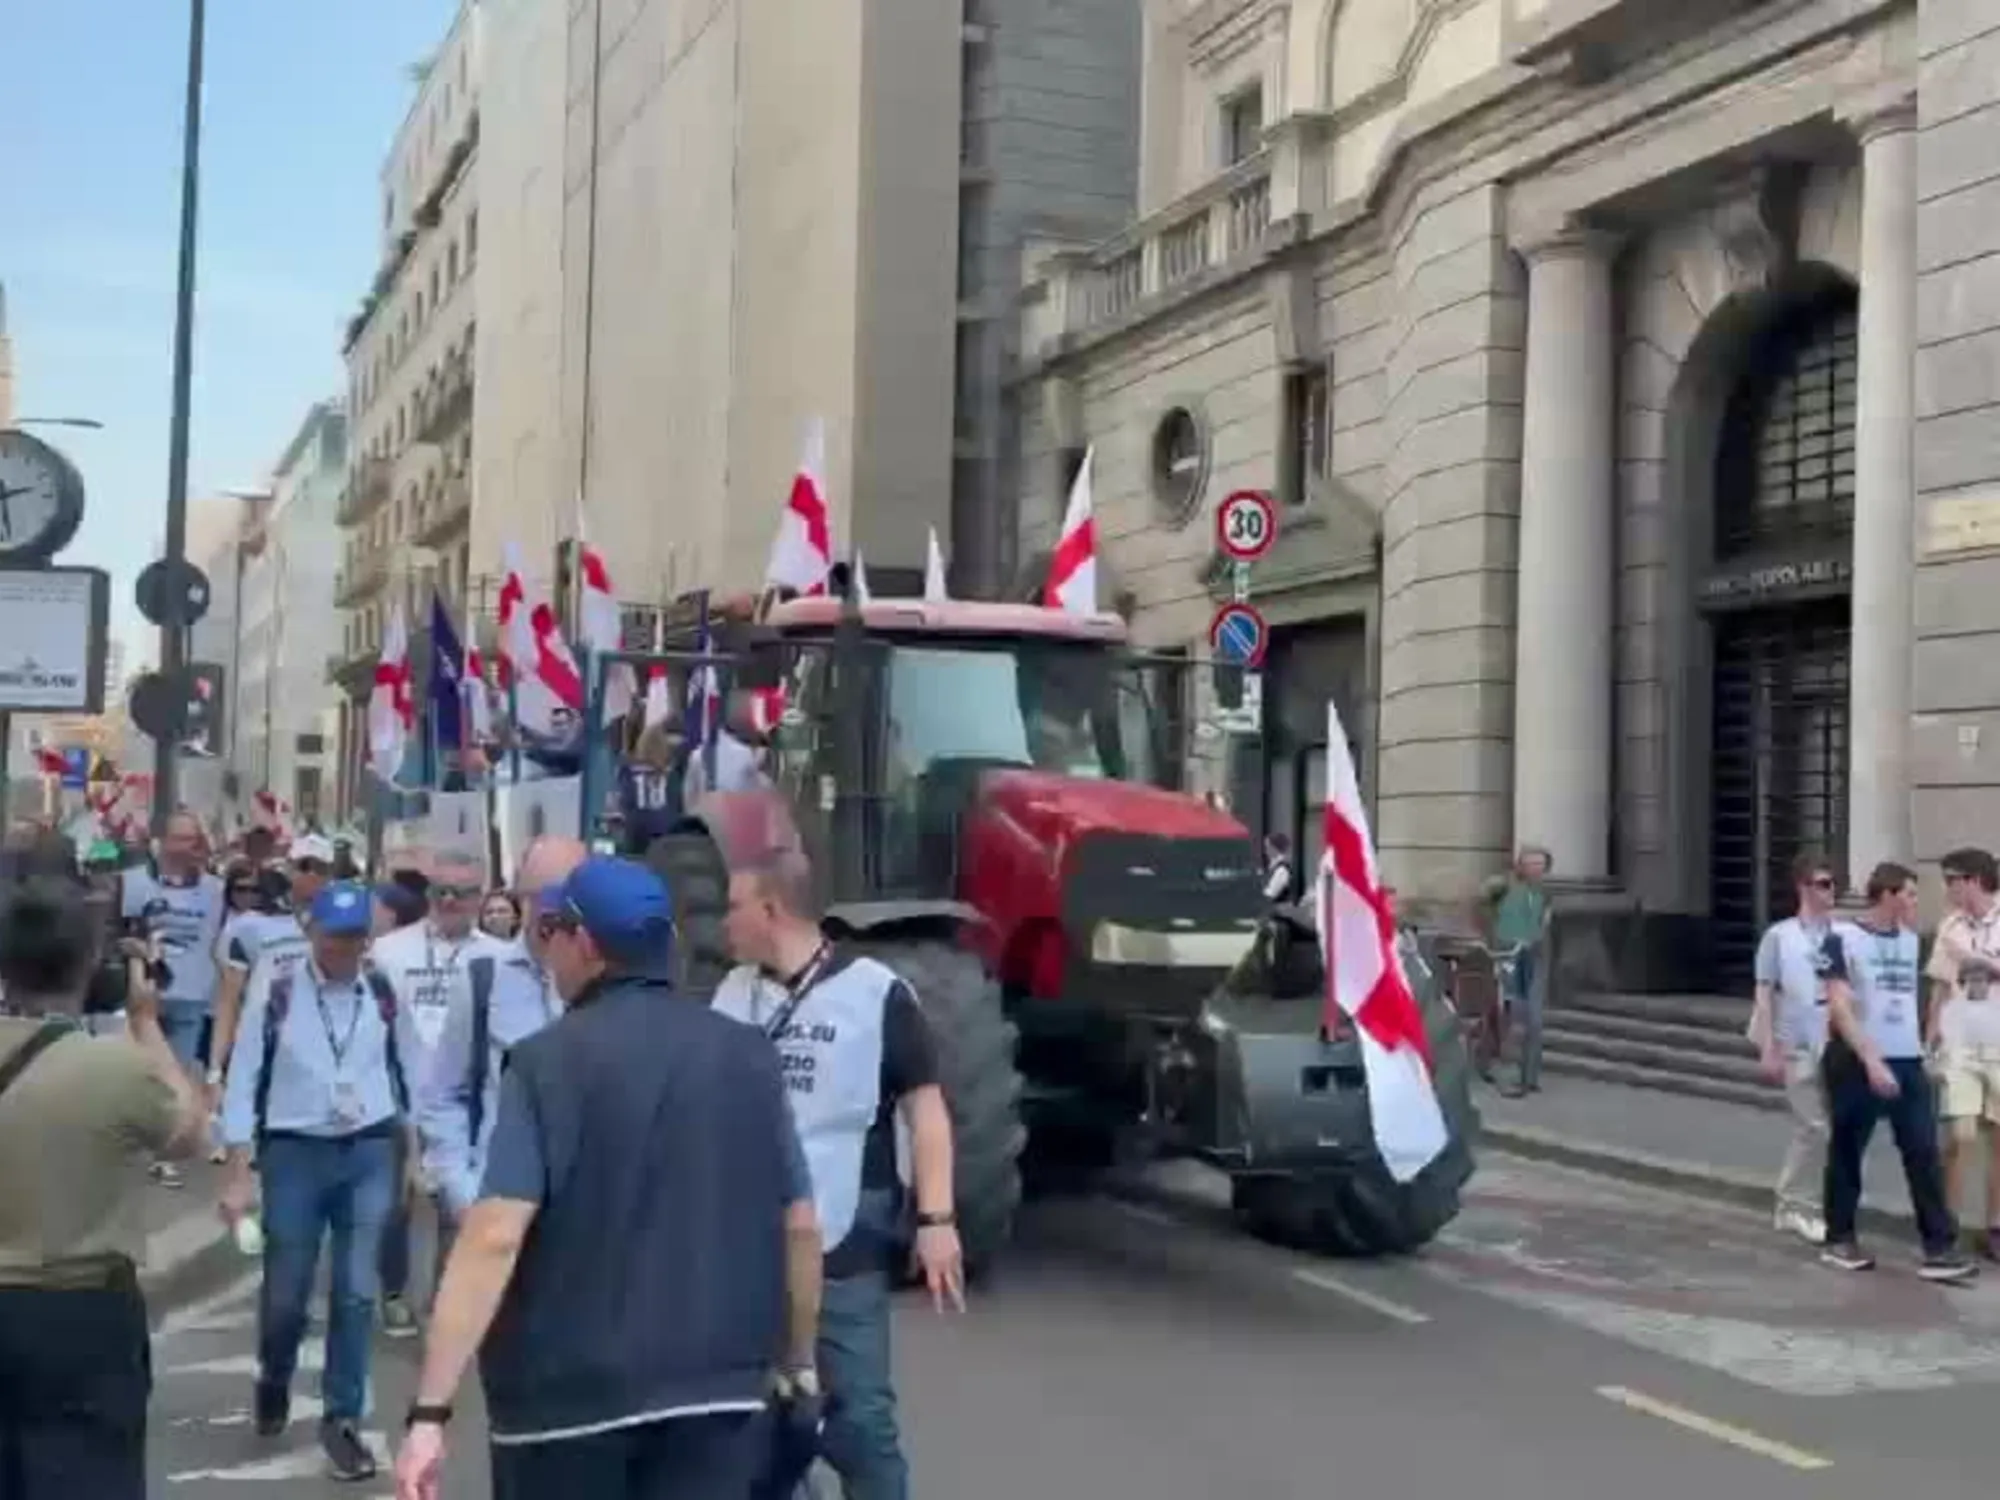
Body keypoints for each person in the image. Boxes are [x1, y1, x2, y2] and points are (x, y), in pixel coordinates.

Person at [394, 856, 823, 1500]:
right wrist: (799, 1361)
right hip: (719, 1396)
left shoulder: (547, 1063)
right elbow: (800, 1226)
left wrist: (431, 1411)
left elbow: (494, 1236)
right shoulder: (748, 1054)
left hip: (565, 1406)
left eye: (553, 932)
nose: (547, 949)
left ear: (586, 945)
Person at [713, 841, 963, 1500]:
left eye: (734, 907)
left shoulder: (876, 994)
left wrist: (937, 1220)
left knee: (859, 1422)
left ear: (771, 909)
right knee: (758, 1421)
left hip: (843, 1235)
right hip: (749, 1245)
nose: (723, 922)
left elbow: (927, 1111)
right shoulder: (732, 994)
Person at [0, 877, 207, 1499]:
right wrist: (146, 1023)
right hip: (81, 1311)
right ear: (91, 966)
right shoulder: (113, 1068)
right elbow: (190, 1132)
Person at [216, 881, 421, 1482]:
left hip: (368, 1148)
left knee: (358, 1289)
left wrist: (413, 1153)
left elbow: (407, 1068)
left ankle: (341, 1418)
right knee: (287, 1291)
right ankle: (274, 1375)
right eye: (334, 936)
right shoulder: (277, 986)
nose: (345, 948)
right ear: (311, 932)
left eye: (356, 937)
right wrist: (237, 1167)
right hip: (294, 1153)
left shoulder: (381, 988)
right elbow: (245, 1072)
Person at [415, 837, 584, 1311]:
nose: (555, 915)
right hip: (494, 1207)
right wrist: (460, 1192)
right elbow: (443, 1091)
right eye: (543, 898)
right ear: (519, 899)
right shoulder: (483, 976)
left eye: (569, 900)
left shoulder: (605, 978)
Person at [370, 849, 511, 1336]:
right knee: (395, 1203)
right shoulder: (389, 951)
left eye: (462, 893)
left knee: (460, 1202)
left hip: (464, 1102)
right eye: (440, 891)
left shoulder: (499, 959)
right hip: (397, 1094)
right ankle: (393, 1291)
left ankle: (445, 1304)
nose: (449, 901)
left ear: (481, 898)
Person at [1817, 861, 1977, 1281]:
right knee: (1849, 1148)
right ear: (1886, 895)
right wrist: (1870, 1059)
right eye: (1908, 893)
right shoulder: (1841, 937)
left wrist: (1929, 1046)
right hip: (1855, 1059)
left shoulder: (1911, 941)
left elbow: (1923, 995)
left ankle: (1939, 1247)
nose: (1914, 901)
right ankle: (1839, 1236)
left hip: (1907, 1060)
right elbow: (1839, 1005)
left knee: (1923, 1150)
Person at [120, 810, 227, 1185]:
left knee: (174, 1076)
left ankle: (161, 1153)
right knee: (137, 1072)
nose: (188, 846)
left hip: (192, 996)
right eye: (180, 838)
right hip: (142, 993)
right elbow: (111, 932)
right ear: (161, 841)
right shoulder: (132, 884)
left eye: (193, 838)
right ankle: (130, 1143)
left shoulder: (215, 890)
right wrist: (131, 946)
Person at [1745, 852, 1836, 1245]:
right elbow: (1764, 993)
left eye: (1833, 883)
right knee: (1814, 1126)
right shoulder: (1780, 936)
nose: (1831, 891)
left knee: (1821, 1129)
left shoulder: (1840, 933)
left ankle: (1802, 1202)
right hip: (1794, 1041)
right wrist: (1769, 1046)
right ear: (1803, 888)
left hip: (1832, 1041)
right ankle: (1797, 1205)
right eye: (1823, 884)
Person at [208, 832, 334, 1102]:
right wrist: (215, 1070)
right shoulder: (249, 926)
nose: (310, 875)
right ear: (289, 868)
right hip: (265, 1052)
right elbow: (229, 1001)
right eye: (303, 866)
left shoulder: (346, 925)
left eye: (320, 868)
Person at [1927, 846, 2000, 1256]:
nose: (1947, 888)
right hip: (1961, 1045)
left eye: (1952, 879)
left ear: (1973, 879)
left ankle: (1995, 1226)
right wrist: (1930, 1039)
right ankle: (1948, 1223)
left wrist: (1985, 965)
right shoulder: (1949, 926)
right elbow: (1939, 986)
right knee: (1960, 1135)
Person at [1482, 845, 1552, 1100]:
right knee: (1507, 1016)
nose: (1535, 869)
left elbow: (1544, 924)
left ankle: (1529, 1077)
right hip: (1506, 957)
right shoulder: (1502, 888)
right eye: (1530, 863)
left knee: (1533, 1020)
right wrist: (1490, 941)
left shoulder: (1544, 894)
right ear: (1519, 865)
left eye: (1540, 865)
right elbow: (1479, 908)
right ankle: (1498, 1069)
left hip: (1533, 960)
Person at [1261, 832, 1295, 904]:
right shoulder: (1273, 867)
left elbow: (1271, 894)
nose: (1265, 851)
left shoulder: (1281, 870)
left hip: (1277, 912)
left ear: (1274, 848)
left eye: (1267, 847)